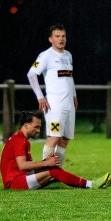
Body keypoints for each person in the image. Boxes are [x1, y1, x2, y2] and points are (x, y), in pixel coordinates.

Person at [0, 111, 111, 190]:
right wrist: (45, 163)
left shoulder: (21, 139)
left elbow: (24, 166)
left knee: (52, 170)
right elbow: (23, 166)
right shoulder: (19, 140)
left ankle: (88, 183)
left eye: (39, 127)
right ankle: (92, 184)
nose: (39, 130)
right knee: (53, 171)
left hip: (18, 178)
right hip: (14, 182)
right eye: (36, 127)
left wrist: (45, 161)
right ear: (26, 125)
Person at [27, 24, 77, 167]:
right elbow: (31, 74)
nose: (61, 39)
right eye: (57, 36)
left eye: (63, 36)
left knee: (64, 139)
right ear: (50, 39)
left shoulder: (68, 55)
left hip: (69, 104)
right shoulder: (45, 56)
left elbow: (69, 78)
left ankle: (57, 172)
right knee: (53, 138)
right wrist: (40, 96)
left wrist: (74, 95)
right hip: (55, 105)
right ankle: (45, 171)